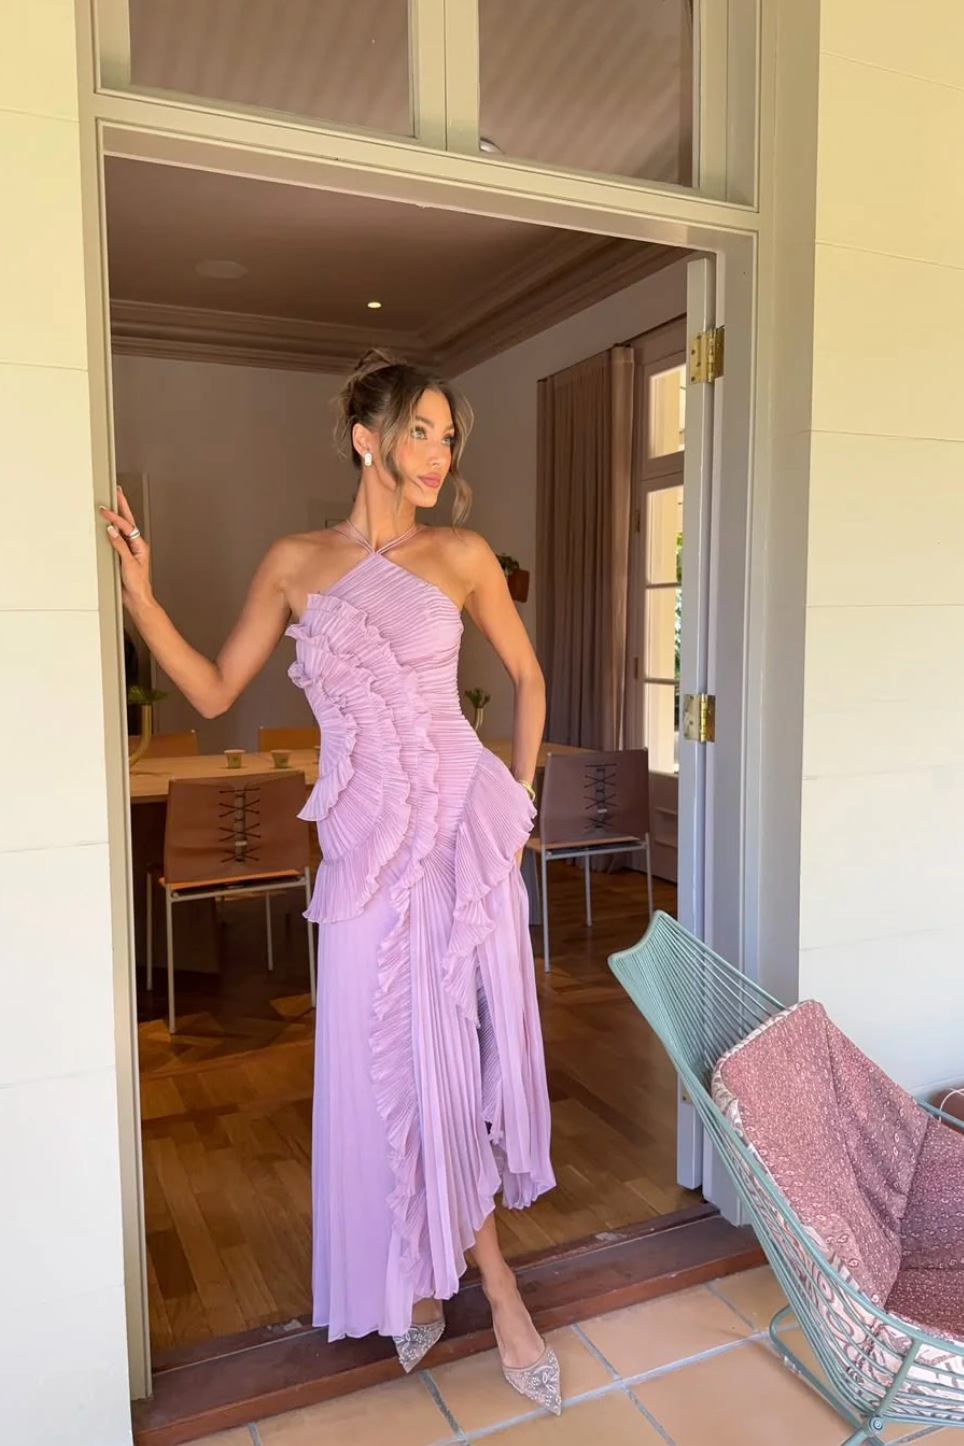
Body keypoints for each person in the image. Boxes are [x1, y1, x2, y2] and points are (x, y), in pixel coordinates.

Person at [102, 351, 560, 1413]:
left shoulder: (460, 553)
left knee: (453, 1059)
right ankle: (416, 1275)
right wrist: (139, 594)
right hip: (361, 854)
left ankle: (493, 1287)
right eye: (420, 433)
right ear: (367, 437)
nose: (438, 454)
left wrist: (513, 811)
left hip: (453, 835)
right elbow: (215, 690)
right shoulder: (295, 562)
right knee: (383, 1068)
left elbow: (527, 678)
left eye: (449, 438)